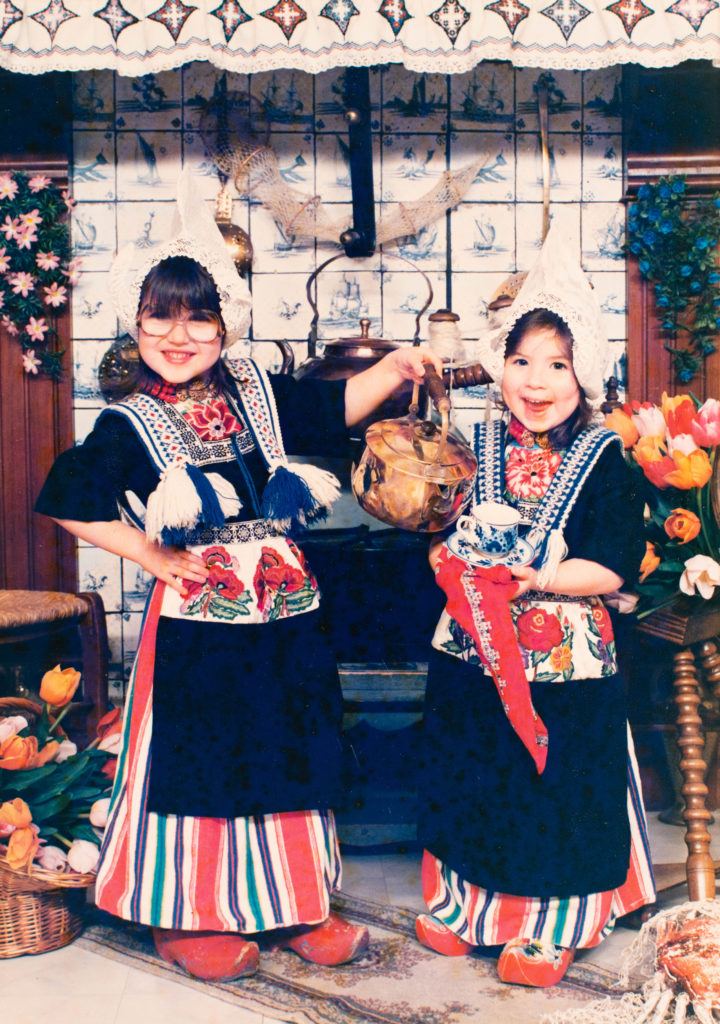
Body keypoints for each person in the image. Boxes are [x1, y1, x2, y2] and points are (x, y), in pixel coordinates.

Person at [36, 170, 440, 982]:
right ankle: (186, 916)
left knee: (294, 739)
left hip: (285, 602)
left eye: (198, 318)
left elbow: (335, 413)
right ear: (137, 321)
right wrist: (151, 556)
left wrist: (397, 368)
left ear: (226, 326)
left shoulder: (257, 388)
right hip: (199, 615)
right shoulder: (128, 420)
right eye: (160, 317)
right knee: (205, 753)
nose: (177, 336)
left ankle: (295, 907)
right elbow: (66, 498)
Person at [414, 223, 656, 988]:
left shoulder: (606, 457)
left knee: (553, 783)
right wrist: (443, 557)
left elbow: (612, 564)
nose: (537, 380)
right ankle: (469, 908)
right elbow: (438, 535)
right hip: (472, 649)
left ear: (585, 373)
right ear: (498, 367)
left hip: (563, 659)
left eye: (557, 363)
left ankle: (552, 927)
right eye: (521, 361)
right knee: (473, 767)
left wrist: (534, 581)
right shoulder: (472, 445)